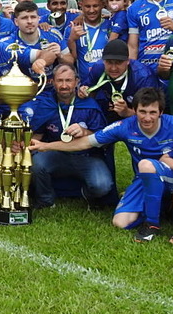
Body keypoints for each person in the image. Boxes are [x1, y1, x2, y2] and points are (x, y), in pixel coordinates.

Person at [51, 87, 173, 242]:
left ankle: (152, 224)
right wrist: (45, 146)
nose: (147, 117)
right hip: (144, 180)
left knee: (146, 164)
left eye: (152, 112)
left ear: (161, 112)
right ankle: (163, 206)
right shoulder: (124, 126)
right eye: (142, 112)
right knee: (120, 222)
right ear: (134, 110)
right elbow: (86, 142)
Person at [21, 64, 113, 209]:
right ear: (53, 82)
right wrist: (23, 146)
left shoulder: (89, 105)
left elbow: (104, 140)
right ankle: (45, 200)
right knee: (36, 163)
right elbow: (37, 135)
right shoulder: (46, 104)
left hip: (86, 156)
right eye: (60, 80)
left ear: (76, 81)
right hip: (56, 154)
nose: (64, 85)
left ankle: (85, 193)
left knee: (102, 185)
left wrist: (85, 132)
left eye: (68, 80)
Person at [77, 38, 159, 122]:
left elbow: (153, 115)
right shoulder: (98, 68)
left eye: (118, 62)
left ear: (128, 61)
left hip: (137, 119)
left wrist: (127, 112)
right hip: (109, 113)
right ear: (103, 61)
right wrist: (83, 92)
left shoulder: (143, 77)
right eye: (109, 62)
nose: (113, 68)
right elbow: (88, 91)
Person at [67, 0, 111, 83]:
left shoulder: (111, 26)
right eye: (87, 6)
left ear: (102, 5)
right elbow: (71, 60)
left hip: (108, 83)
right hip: (85, 86)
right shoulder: (73, 28)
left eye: (95, 6)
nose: (91, 10)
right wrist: (71, 40)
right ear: (80, 5)